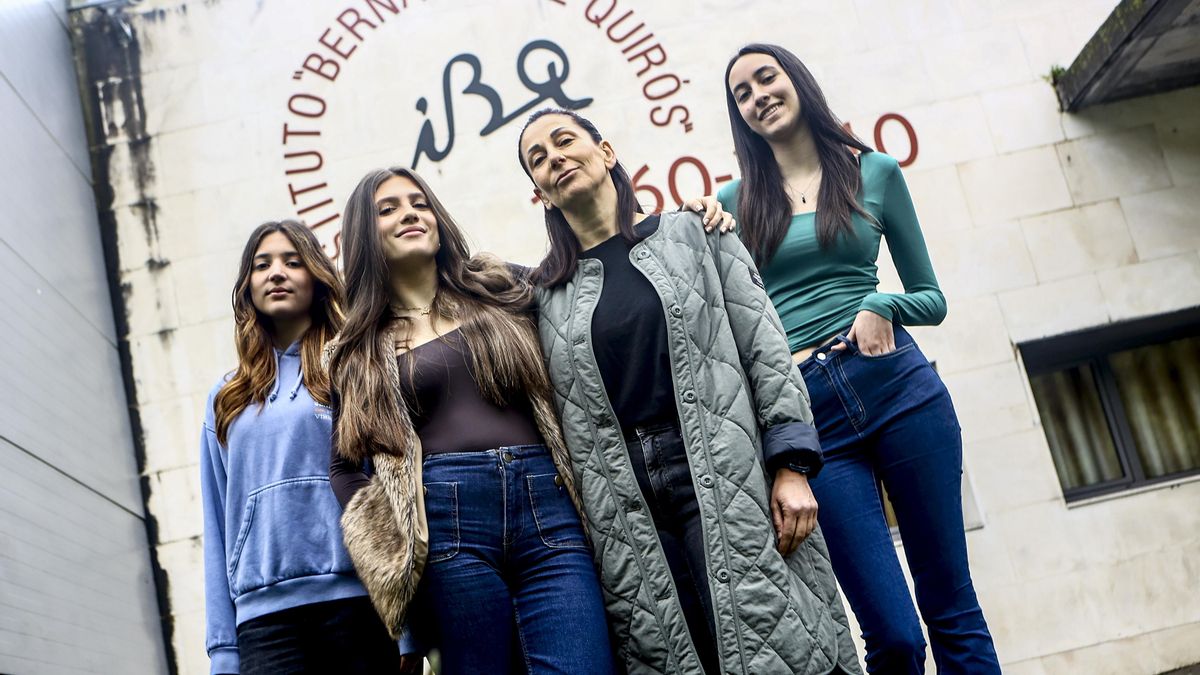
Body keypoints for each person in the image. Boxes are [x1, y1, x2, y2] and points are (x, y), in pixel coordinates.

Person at [517, 107, 862, 675]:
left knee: (770, 639)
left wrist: (793, 464)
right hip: (624, 501)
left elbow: (766, 350)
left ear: (606, 154)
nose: (554, 158)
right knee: (678, 652)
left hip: (726, 469)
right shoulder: (544, 296)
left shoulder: (696, 232)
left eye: (564, 141)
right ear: (541, 194)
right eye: (539, 159)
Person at [718, 43, 1002, 674]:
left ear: (797, 82)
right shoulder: (733, 201)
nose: (759, 95)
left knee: (951, 605)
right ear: (740, 115)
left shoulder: (873, 171)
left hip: (897, 387)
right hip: (810, 416)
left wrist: (883, 303)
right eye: (743, 93)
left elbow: (932, 297)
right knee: (894, 634)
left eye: (768, 78)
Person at [326, 167, 616, 675]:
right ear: (362, 235)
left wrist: (670, 227)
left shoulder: (498, 284)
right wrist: (391, 543)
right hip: (449, 521)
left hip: (548, 503)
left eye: (419, 202)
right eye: (387, 208)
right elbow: (345, 466)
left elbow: (585, 275)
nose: (410, 214)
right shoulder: (356, 351)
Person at [200, 221, 400, 675]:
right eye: (262, 264)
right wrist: (222, 649)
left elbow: (391, 491)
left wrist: (406, 617)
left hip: (358, 605)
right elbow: (216, 523)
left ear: (316, 276)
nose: (277, 273)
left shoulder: (352, 370)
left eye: (293, 262)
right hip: (263, 624)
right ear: (247, 286)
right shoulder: (225, 398)